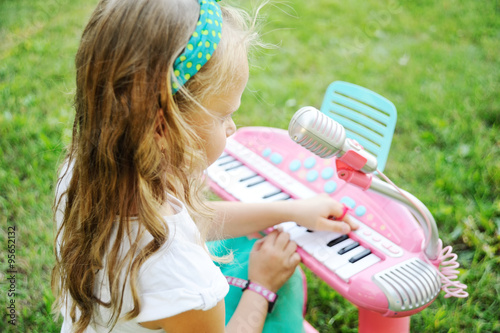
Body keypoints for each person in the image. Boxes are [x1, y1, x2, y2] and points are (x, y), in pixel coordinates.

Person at [52, 0, 358, 332]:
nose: (233, 128)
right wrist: (261, 286)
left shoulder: (83, 172)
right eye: (224, 115)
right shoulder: (180, 272)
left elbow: (191, 220)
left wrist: (290, 210)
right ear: (162, 127)